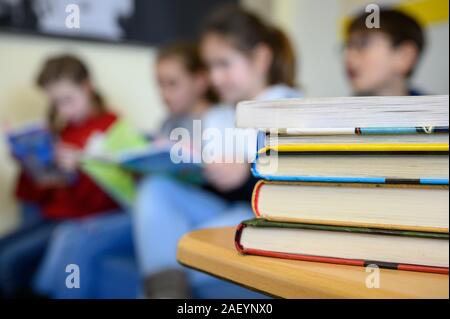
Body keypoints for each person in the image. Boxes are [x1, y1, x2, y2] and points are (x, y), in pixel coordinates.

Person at [133, 5, 302, 299]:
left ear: (260, 59)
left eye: (224, 64)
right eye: (210, 67)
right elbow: (211, 182)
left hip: (262, 216)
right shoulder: (218, 115)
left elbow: (302, 191)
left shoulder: (290, 108)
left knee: (179, 247)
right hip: (222, 208)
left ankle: (165, 285)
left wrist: (247, 172)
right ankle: (166, 289)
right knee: (156, 189)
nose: (215, 78)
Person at [32, 42, 217, 298]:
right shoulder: (167, 123)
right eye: (159, 84)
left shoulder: (216, 121)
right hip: (148, 204)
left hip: (182, 207)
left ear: (199, 82)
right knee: (70, 233)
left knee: (75, 235)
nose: (163, 93)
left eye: (172, 83)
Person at [0, 55, 120, 298]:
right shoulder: (62, 130)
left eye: (68, 100)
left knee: (7, 263)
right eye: (56, 103)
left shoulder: (112, 128)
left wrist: (82, 167)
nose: (63, 109)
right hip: (52, 215)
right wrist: (27, 162)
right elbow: (40, 192)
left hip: (81, 220)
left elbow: (110, 198)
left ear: (87, 87)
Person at [344, 8, 426, 96]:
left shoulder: (439, 108)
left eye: (363, 44)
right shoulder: (339, 109)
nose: (349, 57)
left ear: (404, 56)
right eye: (348, 47)